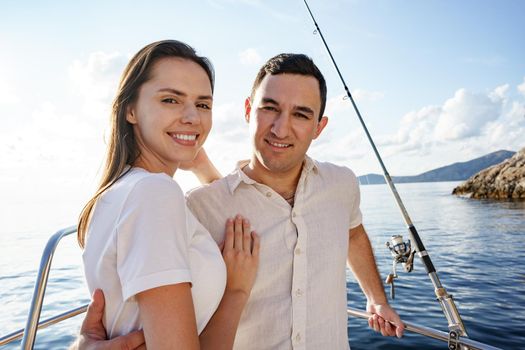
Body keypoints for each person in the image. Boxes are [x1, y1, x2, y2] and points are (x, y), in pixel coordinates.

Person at [74, 53, 404, 349]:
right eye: (269, 108)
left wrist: (376, 297)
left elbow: (353, 232)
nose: (281, 128)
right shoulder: (193, 206)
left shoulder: (342, 184)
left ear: (319, 127)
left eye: (301, 115)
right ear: (248, 110)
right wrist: (236, 291)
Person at [76, 40, 260, 350]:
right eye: (171, 100)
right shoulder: (155, 192)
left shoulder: (117, 191)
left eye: (203, 104)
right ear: (130, 109)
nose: (193, 117)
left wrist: (195, 159)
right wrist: (236, 292)